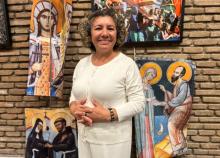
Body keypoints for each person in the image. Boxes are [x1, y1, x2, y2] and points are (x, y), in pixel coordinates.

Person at [69, 8, 145, 158]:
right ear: (89, 34)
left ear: (118, 33)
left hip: (113, 143)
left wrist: (108, 114)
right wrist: (72, 107)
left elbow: (139, 103)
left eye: (110, 28)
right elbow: (74, 96)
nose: (105, 33)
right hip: (84, 139)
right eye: (98, 28)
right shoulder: (81, 64)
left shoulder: (127, 65)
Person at [27, 1, 62, 97]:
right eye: (44, 17)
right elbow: (29, 67)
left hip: (53, 85)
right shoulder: (34, 42)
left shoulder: (57, 43)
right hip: (37, 83)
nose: (47, 21)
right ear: (38, 18)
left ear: (54, 21)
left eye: (50, 18)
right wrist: (33, 68)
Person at [159, 66, 192, 156]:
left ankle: (177, 148)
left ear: (181, 75)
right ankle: (182, 148)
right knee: (178, 128)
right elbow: (174, 98)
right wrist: (165, 91)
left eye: (177, 73)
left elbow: (180, 99)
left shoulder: (184, 84)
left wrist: (168, 104)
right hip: (179, 107)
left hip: (184, 107)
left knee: (171, 124)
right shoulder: (176, 86)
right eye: (174, 71)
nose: (174, 73)